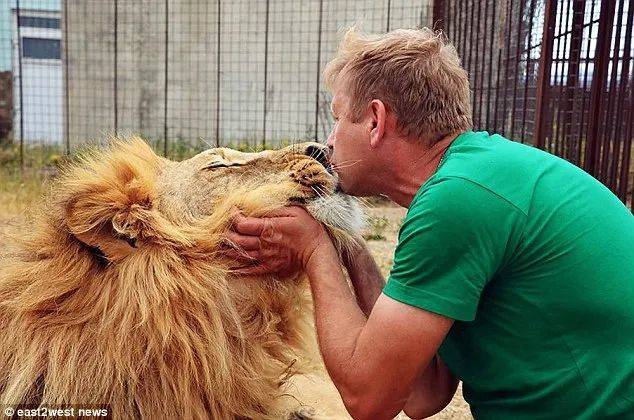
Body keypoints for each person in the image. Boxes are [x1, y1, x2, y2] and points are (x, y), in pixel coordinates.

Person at [225, 27, 634, 420]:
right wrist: (346, 246)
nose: (329, 141)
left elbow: (368, 401)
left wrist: (315, 251)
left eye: (338, 118)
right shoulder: (476, 176)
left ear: (375, 121)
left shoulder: (456, 203)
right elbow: (425, 394)